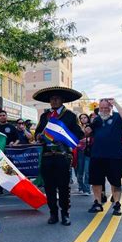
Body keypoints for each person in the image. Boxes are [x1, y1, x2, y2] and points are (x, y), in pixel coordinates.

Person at [34, 87, 84, 226]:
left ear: (62, 100)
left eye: (56, 98)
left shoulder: (70, 116)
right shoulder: (45, 116)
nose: (53, 101)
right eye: (51, 99)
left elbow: (79, 134)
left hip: (63, 155)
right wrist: (39, 135)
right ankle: (53, 213)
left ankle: (65, 214)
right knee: (49, 187)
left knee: (63, 187)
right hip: (47, 156)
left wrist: (63, 136)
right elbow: (37, 133)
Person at [86, 98, 122, 216]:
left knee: (115, 182)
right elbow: (87, 132)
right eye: (101, 108)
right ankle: (97, 203)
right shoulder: (96, 120)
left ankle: (117, 204)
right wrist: (88, 127)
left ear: (110, 107)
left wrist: (115, 103)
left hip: (114, 156)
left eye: (106, 108)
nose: (104, 110)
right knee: (96, 181)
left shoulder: (117, 117)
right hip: (97, 156)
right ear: (99, 108)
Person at [0, 110, 19, 194]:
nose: (2, 116)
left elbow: (17, 139)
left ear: (6, 116)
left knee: (10, 171)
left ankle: (12, 189)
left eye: (4, 115)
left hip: (9, 153)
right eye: (0, 115)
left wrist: (14, 144)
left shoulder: (11, 127)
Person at [76, 113, 92, 195]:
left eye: (85, 117)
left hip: (88, 151)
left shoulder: (91, 126)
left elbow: (94, 136)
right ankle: (81, 187)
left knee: (87, 171)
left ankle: (87, 189)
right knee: (79, 171)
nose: (83, 119)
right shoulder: (77, 128)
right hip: (79, 151)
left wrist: (88, 139)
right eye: (81, 118)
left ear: (88, 118)